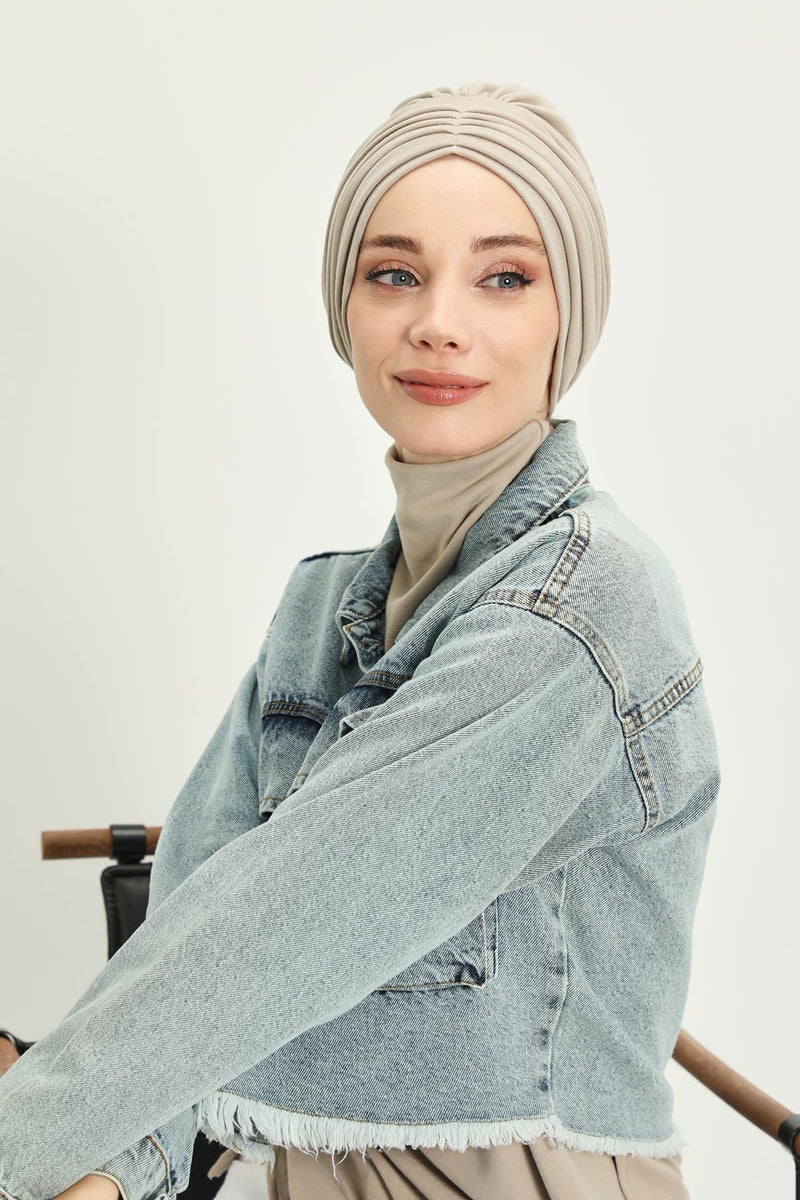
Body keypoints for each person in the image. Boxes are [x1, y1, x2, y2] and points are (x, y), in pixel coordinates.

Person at [0, 82, 719, 1200]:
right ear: (346, 309)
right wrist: (114, 1164)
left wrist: (25, 1145)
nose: (438, 322)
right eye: (394, 273)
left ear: (566, 316)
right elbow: (195, 929)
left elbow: (280, 932)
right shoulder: (319, 608)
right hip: (307, 1172)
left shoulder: (579, 610)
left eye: (504, 277)